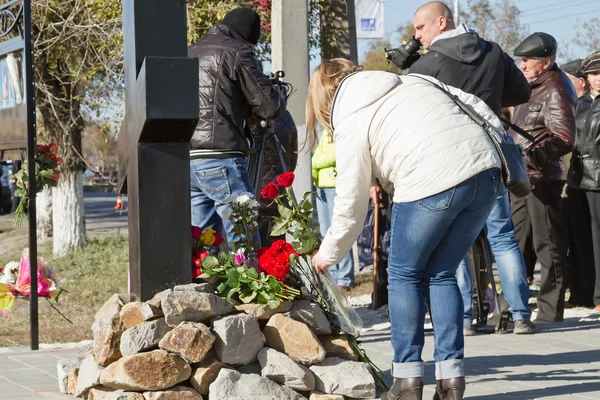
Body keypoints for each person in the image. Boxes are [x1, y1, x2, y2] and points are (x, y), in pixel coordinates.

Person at [308, 58, 504, 400]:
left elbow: (351, 199)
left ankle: (407, 379)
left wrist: (327, 255)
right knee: (442, 273)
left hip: (431, 179)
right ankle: (451, 379)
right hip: (485, 173)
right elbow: (478, 107)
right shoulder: (412, 80)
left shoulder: (349, 114)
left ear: (323, 98)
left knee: (403, 274)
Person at [407, 1, 534, 335]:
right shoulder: (492, 51)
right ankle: (521, 315)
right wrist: (489, 95)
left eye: (421, 27)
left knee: (454, 242)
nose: (416, 35)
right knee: (504, 238)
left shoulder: (427, 64)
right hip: (491, 158)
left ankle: (463, 318)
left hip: (449, 162)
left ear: (441, 21)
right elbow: (521, 91)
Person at [187, 7, 286, 246]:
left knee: (203, 245)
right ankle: (249, 283)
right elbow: (270, 106)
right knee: (244, 240)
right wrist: (279, 94)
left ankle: (206, 284)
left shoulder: (190, 51)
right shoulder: (237, 51)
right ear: (247, 37)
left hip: (189, 159)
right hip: (223, 158)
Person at [510, 32, 577, 323]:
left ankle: (550, 311)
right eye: (521, 60)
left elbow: (564, 138)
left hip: (543, 179)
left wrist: (530, 159)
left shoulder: (556, 87)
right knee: (516, 244)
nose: (522, 65)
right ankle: (515, 307)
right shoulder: (532, 87)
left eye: (528, 60)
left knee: (547, 246)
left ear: (546, 62)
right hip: (523, 180)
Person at [566, 52, 600, 311]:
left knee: (597, 239)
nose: (597, 79)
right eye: (593, 74)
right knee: (580, 239)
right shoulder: (580, 103)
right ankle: (582, 293)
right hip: (578, 178)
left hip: (598, 179)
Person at [312, 128, 355, 291]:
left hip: (333, 183)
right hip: (321, 185)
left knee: (338, 230)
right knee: (325, 231)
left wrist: (315, 161)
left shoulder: (336, 129)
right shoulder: (323, 132)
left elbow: (332, 155)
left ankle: (344, 277)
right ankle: (334, 274)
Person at [256, 110, 298, 247]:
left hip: (253, 192)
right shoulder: (285, 115)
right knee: (276, 250)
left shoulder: (248, 112)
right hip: (278, 196)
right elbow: (292, 157)